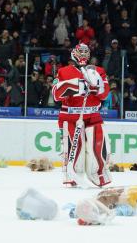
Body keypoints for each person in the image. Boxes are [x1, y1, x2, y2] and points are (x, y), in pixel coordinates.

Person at [52, 43, 111, 187]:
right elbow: (55, 94)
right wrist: (77, 86)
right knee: (74, 147)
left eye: (86, 52)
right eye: (81, 52)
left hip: (93, 115)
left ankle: (99, 175)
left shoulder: (99, 71)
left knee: (98, 146)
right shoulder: (63, 72)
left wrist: (96, 87)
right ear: (74, 53)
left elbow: (104, 95)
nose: (83, 55)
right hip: (70, 115)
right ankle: (72, 175)